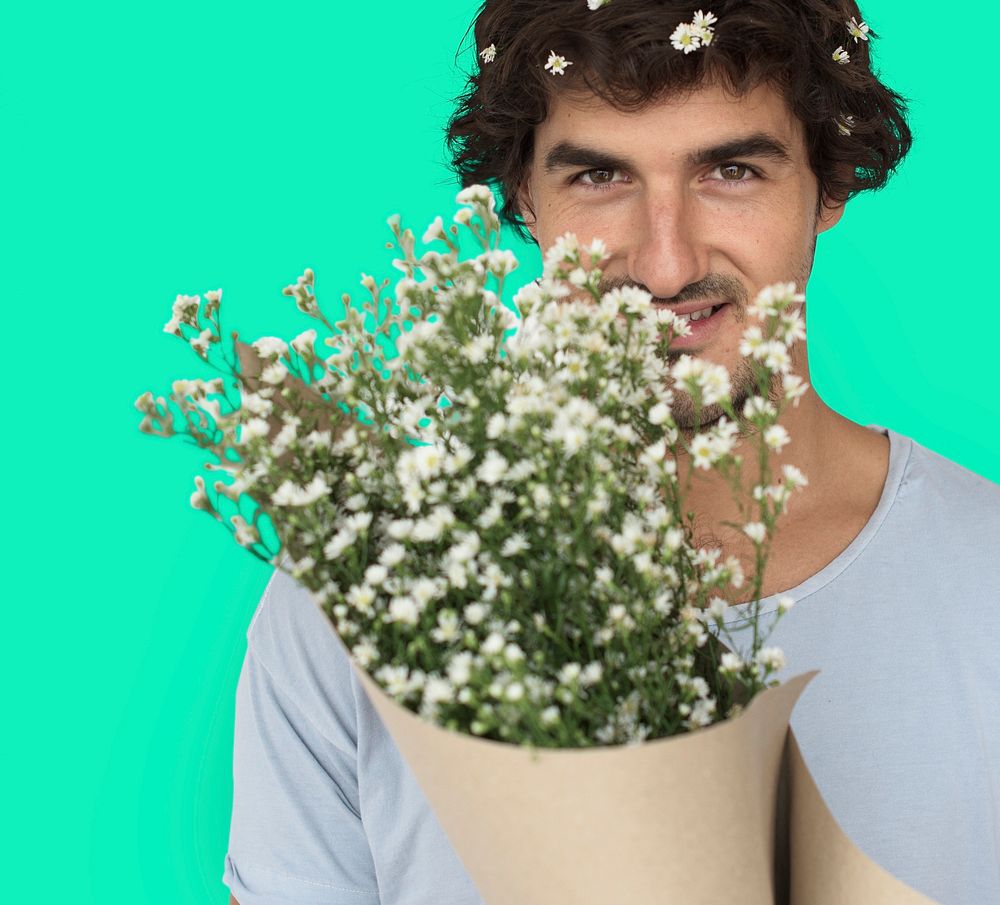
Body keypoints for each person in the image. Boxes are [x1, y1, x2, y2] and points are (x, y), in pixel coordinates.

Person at [223, 2, 1000, 903]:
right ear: (521, 197)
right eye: (599, 175)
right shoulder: (368, 587)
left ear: (828, 183)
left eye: (732, 170)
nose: (666, 266)